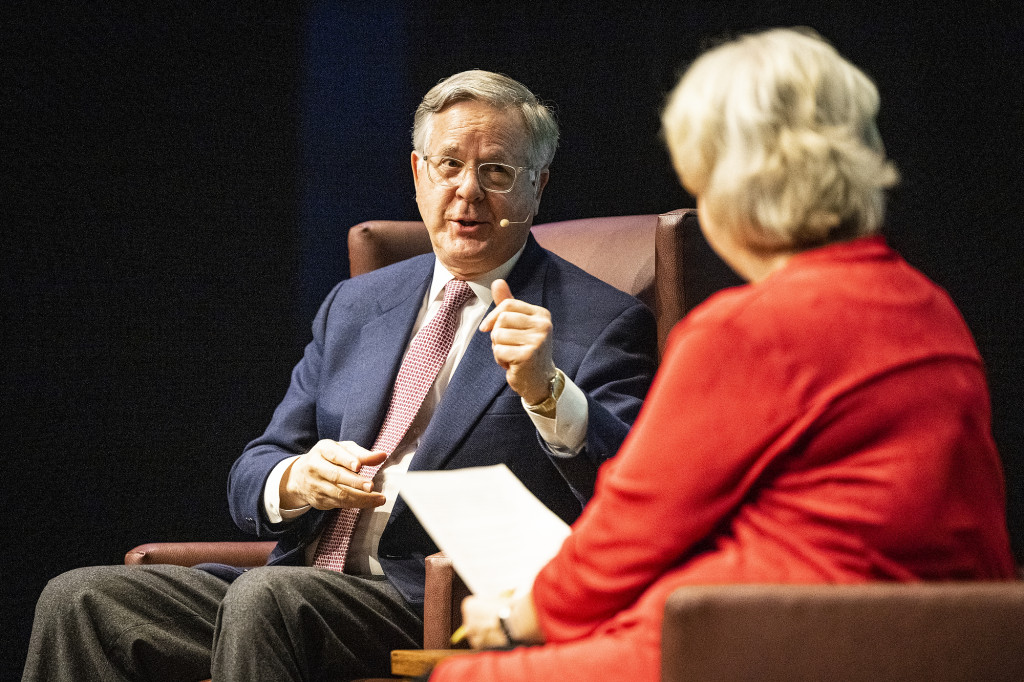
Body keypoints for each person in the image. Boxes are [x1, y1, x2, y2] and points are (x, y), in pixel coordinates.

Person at [22, 70, 658, 681]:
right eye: (449, 165)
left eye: (496, 171)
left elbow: (633, 500)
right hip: (303, 581)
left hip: (436, 605)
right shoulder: (357, 305)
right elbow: (257, 465)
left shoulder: (599, 320)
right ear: (417, 174)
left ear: (537, 186)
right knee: (80, 598)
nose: (468, 191)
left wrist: (548, 391)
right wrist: (296, 479)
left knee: (269, 600)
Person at [430, 28, 1016, 682]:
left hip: (777, 637)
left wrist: (517, 616)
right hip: (936, 641)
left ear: (732, 186)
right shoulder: (930, 306)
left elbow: (633, 534)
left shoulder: (749, 328)